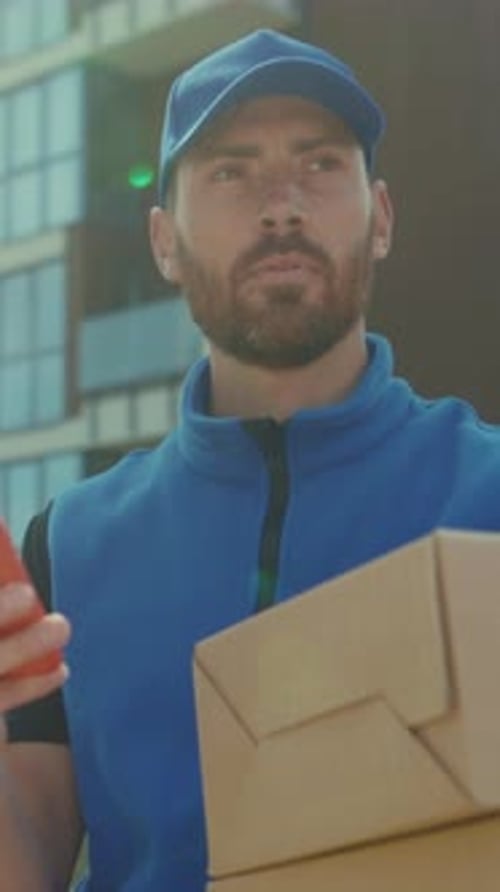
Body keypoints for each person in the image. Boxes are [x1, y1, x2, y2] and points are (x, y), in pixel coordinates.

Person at [1, 26, 500, 892]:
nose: (281, 205)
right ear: (163, 241)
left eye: (318, 165)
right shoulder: (68, 545)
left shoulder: (489, 490)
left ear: (379, 219)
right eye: (230, 172)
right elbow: (29, 856)